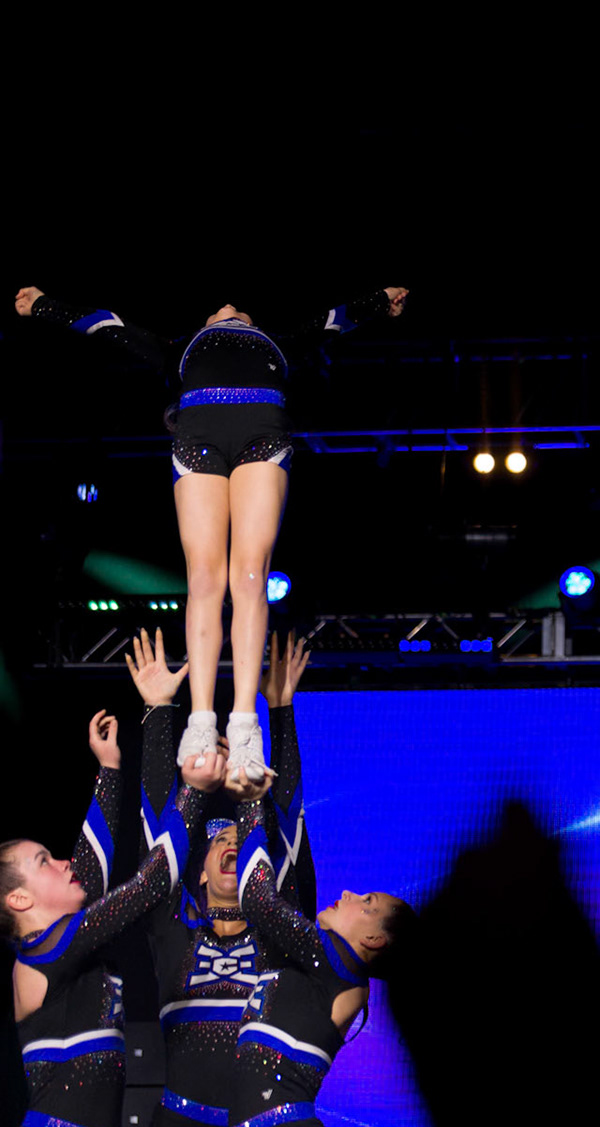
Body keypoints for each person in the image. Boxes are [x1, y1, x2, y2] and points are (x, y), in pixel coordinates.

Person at [14, 284, 407, 782]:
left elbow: (332, 320)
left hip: (264, 435)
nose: (229, 306)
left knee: (250, 576)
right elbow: (108, 326)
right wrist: (43, 305)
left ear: (254, 325)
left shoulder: (280, 344)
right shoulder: (179, 348)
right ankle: (200, 719)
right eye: (219, 309)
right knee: (204, 579)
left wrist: (381, 301)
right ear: (202, 326)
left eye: (240, 309)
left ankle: (244, 723)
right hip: (198, 439)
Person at [129, 630, 313, 1127]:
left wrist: (279, 713)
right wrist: (159, 714)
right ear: (197, 871)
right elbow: (159, 827)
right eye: (217, 845)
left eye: (242, 842)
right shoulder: (171, 930)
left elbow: (286, 820)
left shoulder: (279, 933)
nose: (232, 846)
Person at [0, 713, 186, 1127]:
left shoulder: (66, 942)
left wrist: (109, 769)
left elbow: (87, 868)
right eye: (44, 862)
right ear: (19, 902)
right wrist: (194, 793)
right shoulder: (43, 951)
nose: (62, 861)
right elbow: (150, 884)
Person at [216, 796, 413, 1127]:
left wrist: (247, 803)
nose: (348, 893)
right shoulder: (302, 963)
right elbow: (288, 867)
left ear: (374, 941)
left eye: (366, 904)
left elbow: (260, 901)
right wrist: (270, 766)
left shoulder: (341, 969)